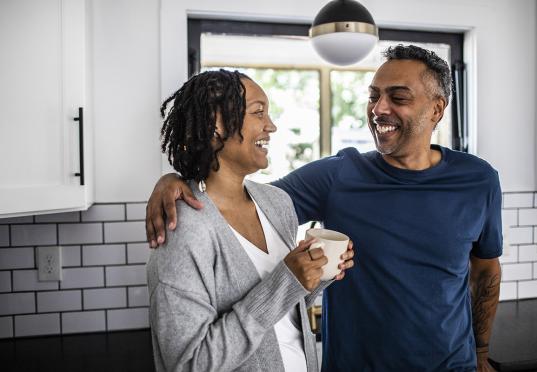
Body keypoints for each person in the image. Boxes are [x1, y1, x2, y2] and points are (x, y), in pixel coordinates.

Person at [146, 46, 502, 372]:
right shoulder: (338, 176)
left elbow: (485, 272)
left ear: (436, 109)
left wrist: (482, 351)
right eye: (374, 96)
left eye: (398, 97)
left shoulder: (479, 180)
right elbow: (232, 203)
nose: (379, 109)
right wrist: (178, 179)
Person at [146, 69, 355, 372]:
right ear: (216, 124)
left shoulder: (277, 203)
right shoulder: (184, 229)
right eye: (259, 112)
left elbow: (284, 313)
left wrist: (314, 277)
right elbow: (190, 364)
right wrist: (287, 281)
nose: (271, 126)